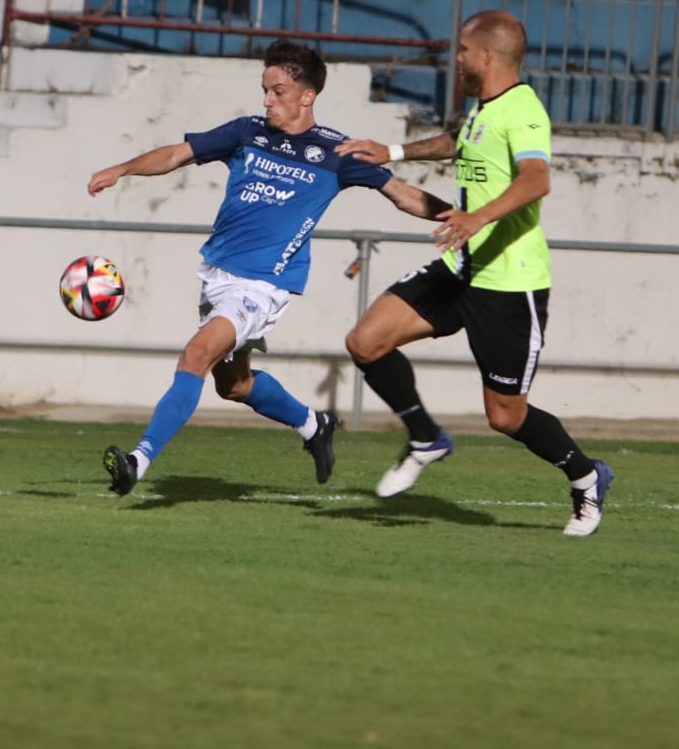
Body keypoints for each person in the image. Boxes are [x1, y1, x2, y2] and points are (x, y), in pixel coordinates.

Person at [89, 39, 450, 496]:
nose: (267, 100)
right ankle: (313, 424)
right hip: (217, 274)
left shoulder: (338, 152)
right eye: (265, 89)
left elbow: (404, 195)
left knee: (197, 354)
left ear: (307, 95)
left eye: (277, 91)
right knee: (234, 385)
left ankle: (138, 462)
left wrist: (461, 217)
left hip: (263, 285)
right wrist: (121, 169)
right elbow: (178, 153)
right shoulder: (247, 131)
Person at [336, 10, 614, 536]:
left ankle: (585, 476)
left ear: (487, 55)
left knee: (506, 417)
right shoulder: (482, 110)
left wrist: (476, 217)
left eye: (462, 49)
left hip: (510, 284)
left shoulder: (524, 109)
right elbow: (458, 139)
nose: (456, 58)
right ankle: (426, 438)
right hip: (459, 269)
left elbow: (537, 180)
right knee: (366, 340)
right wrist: (392, 151)